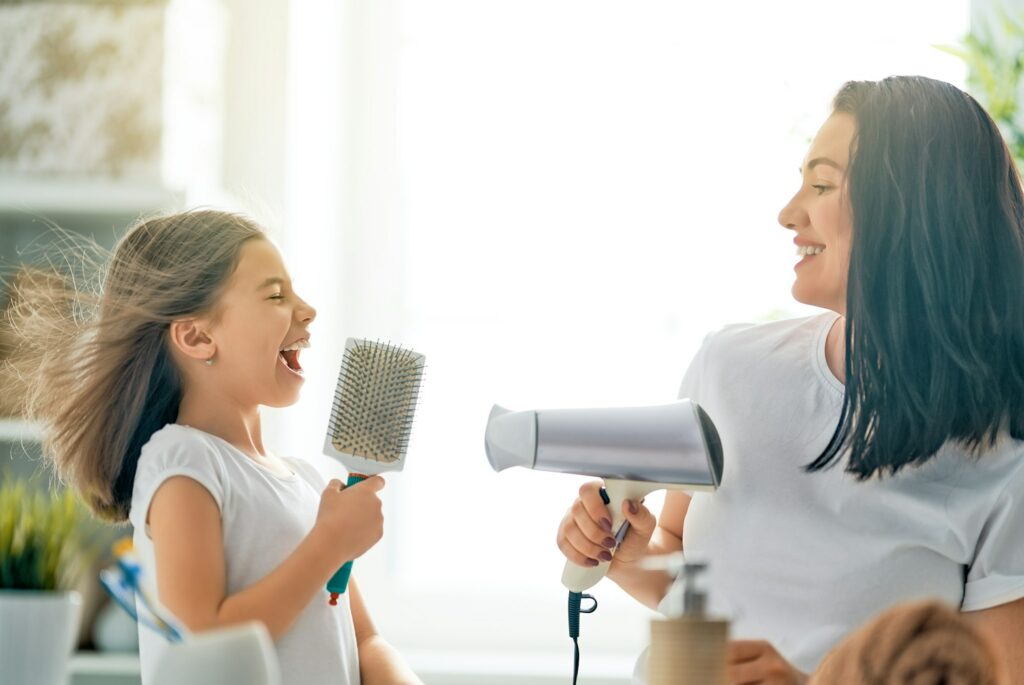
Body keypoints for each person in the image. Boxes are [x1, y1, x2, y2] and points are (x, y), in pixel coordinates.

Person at [556, 76, 1024, 684]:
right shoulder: (729, 368)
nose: (787, 213)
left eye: (822, 184)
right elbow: (690, 574)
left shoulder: (1004, 452)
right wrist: (626, 554)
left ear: (913, 213)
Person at [3, 211, 421, 685]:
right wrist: (328, 545)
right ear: (198, 336)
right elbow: (207, 642)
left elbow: (363, 640)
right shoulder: (183, 463)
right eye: (276, 295)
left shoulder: (304, 481)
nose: (307, 310)